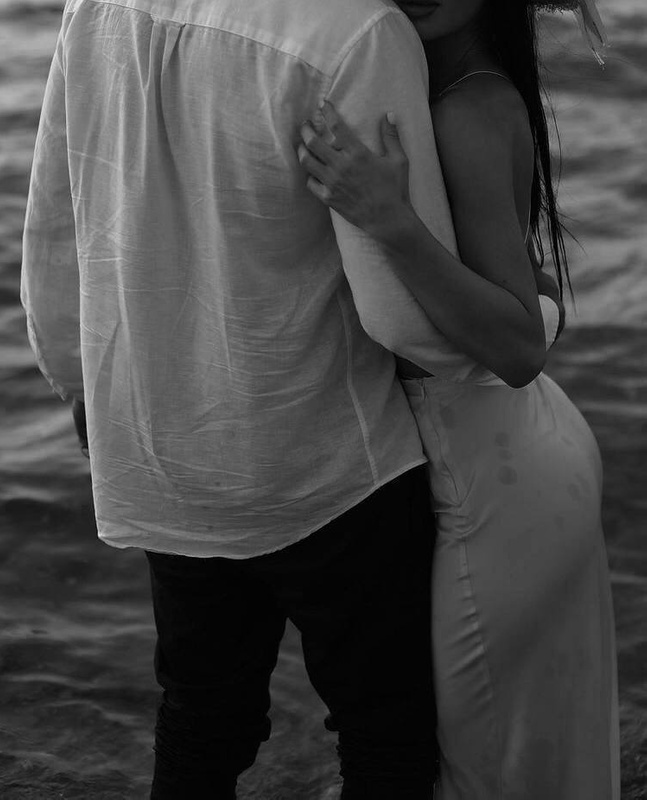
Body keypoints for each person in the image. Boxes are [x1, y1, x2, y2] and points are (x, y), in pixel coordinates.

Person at [298, 0, 620, 797]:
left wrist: (389, 221)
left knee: (480, 767)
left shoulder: (465, 111)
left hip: (495, 487)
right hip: (517, 457)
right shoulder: (458, 91)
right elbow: (533, 291)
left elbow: (516, 348)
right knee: (521, 758)